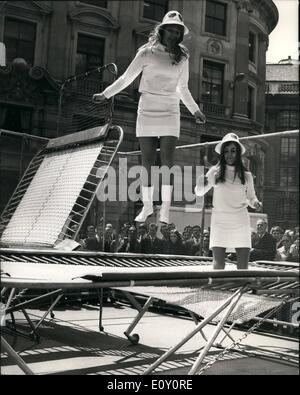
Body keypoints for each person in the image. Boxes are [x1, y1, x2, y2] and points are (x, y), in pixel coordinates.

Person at [93, 10, 206, 224]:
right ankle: (146, 207)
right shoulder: (146, 52)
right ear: (162, 30)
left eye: (177, 31)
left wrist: (195, 111)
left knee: (167, 162)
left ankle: (164, 209)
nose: (174, 34)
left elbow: (183, 88)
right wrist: (106, 94)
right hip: (147, 107)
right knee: (146, 162)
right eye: (170, 30)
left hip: (171, 109)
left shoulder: (183, 57)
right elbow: (127, 77)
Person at [194, 133, 262, 269]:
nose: (229, 154)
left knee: (243, 267)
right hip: (220, 221)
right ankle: (217, 291)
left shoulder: (247, 176)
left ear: (238, 153)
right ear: (222, 154)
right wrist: (200, 183)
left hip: (240, 220)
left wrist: (256, 203)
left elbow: (251, 198)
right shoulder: (214, 171)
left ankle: (241, 290)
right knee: (218, 265)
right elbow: (199, 192)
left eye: (233, 151)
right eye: (226, 151)